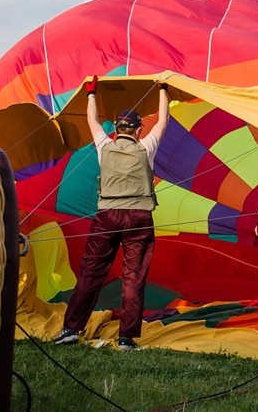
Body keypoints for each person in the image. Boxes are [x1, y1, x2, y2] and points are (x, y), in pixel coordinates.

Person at [53, 76, 169, 350]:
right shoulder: (146, 147)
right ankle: (126, 338)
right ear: (139, 130)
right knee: (133, 277)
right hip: (139, 218)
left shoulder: (105, 146)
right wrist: (164, 88)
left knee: (91, 273)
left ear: (116, 129)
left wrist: (91, 94)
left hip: (107, 216)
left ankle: (71, 328)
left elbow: (92, 121)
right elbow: (163, 121)